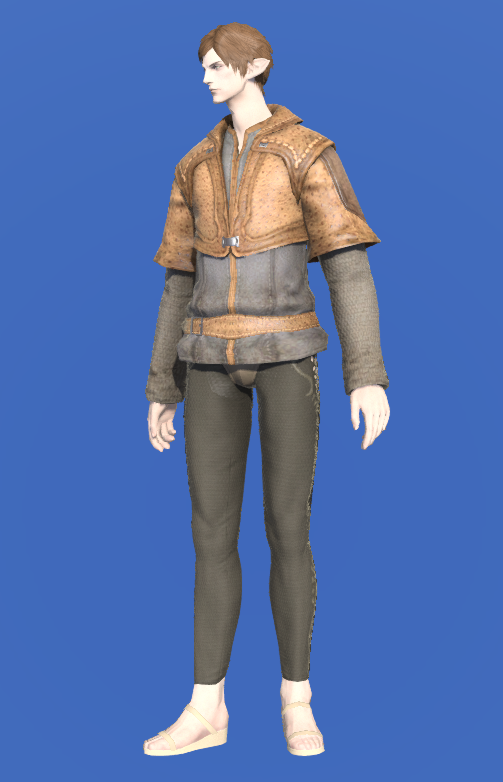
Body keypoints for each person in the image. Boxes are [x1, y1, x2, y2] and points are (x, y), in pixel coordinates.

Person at [143, 22, 390, 757]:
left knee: (288, 529)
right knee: (209, 535)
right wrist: (162, 382)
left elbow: (347, 266)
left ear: (256, 67)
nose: (207, 76)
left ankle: (296, 699)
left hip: (286, 357)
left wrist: (365, 374)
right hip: (206, 363)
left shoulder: (306, 151)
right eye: (204, 66)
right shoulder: (192, 164)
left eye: (217, 65)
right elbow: (178, 280)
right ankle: (206, 707)